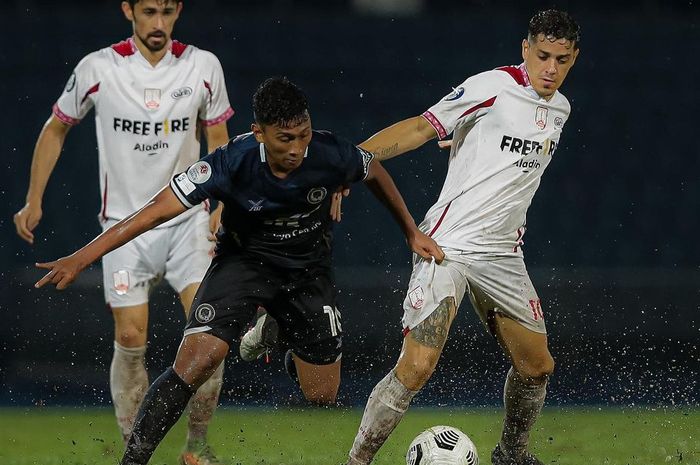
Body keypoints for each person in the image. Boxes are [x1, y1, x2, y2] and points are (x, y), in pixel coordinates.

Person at [34, 76, 444, 465]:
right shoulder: (230, 162)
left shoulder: (330, 152)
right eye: (285, 138)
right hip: (243, 267)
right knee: (197, 361)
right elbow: (152, 213)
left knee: (322, 393)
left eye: (303, 135)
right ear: (259, 132)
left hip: (307, 274)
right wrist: (82, 257)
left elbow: (372, 168)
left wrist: (409, 231)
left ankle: (275, 330)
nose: (298, 148)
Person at [344, 9, 580, 465]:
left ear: (574, 58)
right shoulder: (491, 87)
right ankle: (356, 461)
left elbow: (507, 155)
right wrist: (353, 160)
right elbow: (420, 126)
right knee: (416, 367)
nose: (550, 69)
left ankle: (511, 454)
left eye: (562, 60)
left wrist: (473, 140)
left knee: (536, 367)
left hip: (503, 254)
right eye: (543, 56)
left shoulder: (560, 110)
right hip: (447, 245)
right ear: (525, 49)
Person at [13, 2, 233, 464]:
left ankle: (196, 447)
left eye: (168, 12)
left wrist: (223, 203)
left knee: (208, 333)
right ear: (128, 9)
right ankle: (137, 451)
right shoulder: (98, 68)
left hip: (185, 220)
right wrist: (34, 198)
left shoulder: (202, 66)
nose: (158, 24)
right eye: (149, 11)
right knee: (132, 337)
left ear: (178, 12)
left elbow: (219, 139)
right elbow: (56, 129)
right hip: (122, 227)